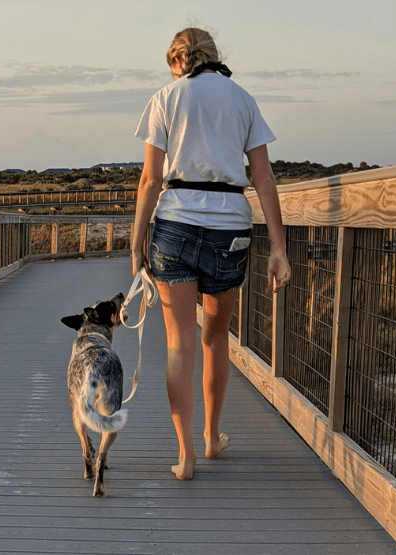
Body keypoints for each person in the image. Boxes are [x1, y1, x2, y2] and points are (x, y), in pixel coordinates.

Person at [131, 27, 291, 481]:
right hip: (228, 229)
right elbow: (263, 178)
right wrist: (278, 247)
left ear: (178, 61)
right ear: (213, 56)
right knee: (215, 338)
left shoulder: (166, 97)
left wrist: (136, 241)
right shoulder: (242, 100)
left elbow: (149, 179)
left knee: (180, 341)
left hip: (175, 224)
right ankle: (212, 436)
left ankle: (184, 456)